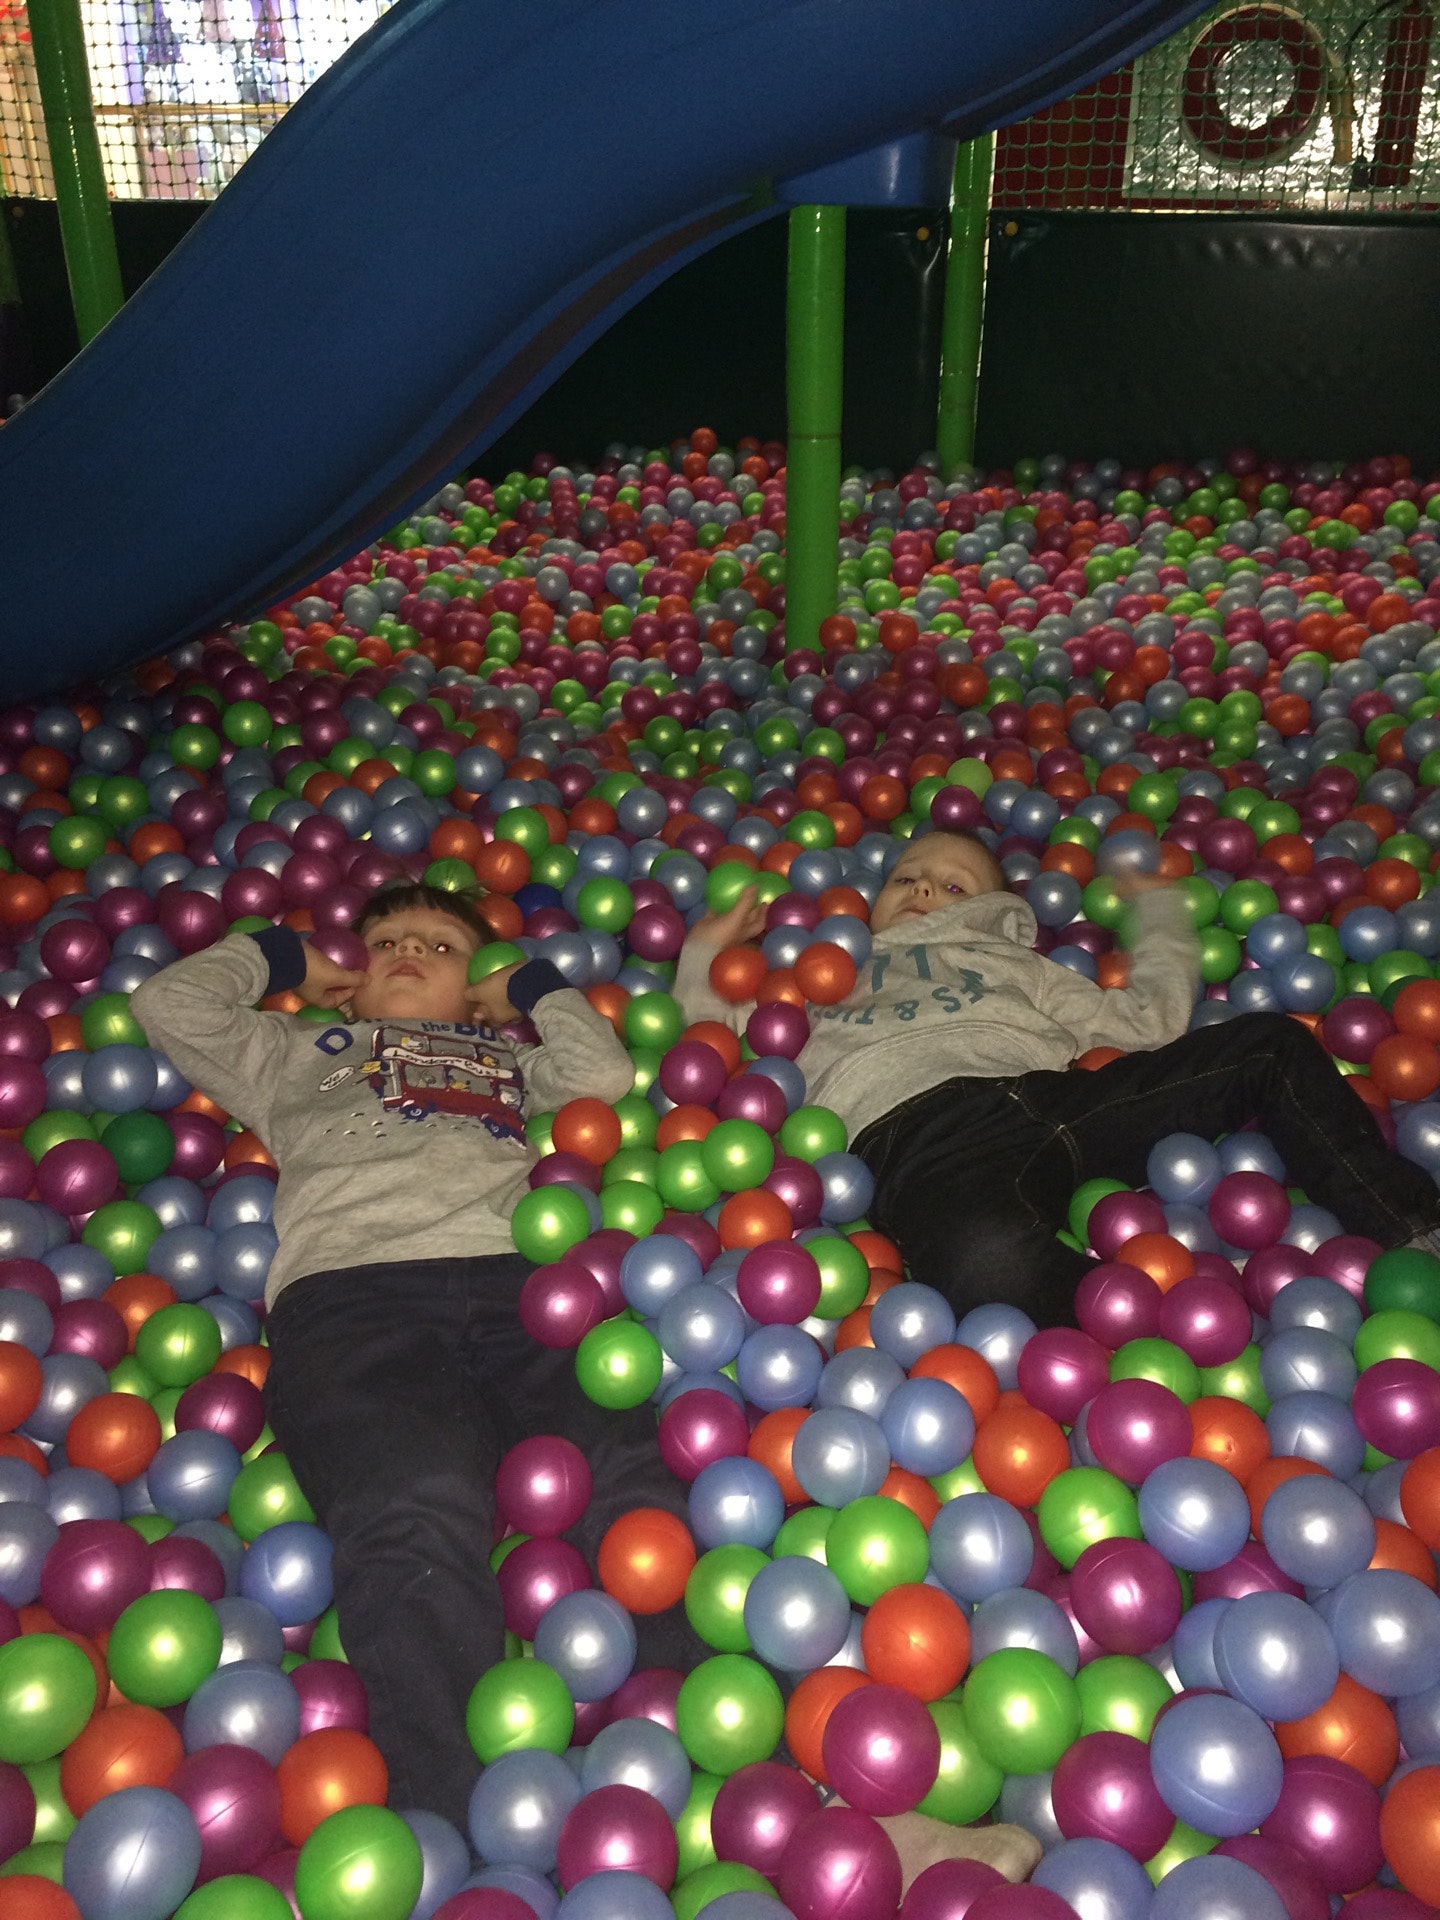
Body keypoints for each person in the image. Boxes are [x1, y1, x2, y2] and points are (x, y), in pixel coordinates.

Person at [132, 881, 705, 1828]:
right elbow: (168, 1004)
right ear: (351, 983)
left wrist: (528, 989)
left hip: (524, 1287)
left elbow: (600, 1075)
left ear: (472, 989)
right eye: (388, 940)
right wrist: (286, 957)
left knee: (626, 1475)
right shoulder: (291, 1050)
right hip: (355, 1298)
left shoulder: (502, 1057)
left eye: (441, 947)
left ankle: (704, 1758)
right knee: (413, 1505)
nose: (410, 952)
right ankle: (444, 1823)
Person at [675, 828, 1440, 1328]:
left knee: (1269, 1046)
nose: (923, 891)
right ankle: (1158, 1352)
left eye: (952, 886)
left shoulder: (1016, 965)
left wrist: (1161, 922)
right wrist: (703, 957)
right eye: (907, 877)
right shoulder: (823, 979)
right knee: (987, 1260)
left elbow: (1144, 1024)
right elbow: (718, 1050)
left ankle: (1410, 1225)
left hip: (1053, 1099)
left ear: (995, 911)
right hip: (916, 1140)